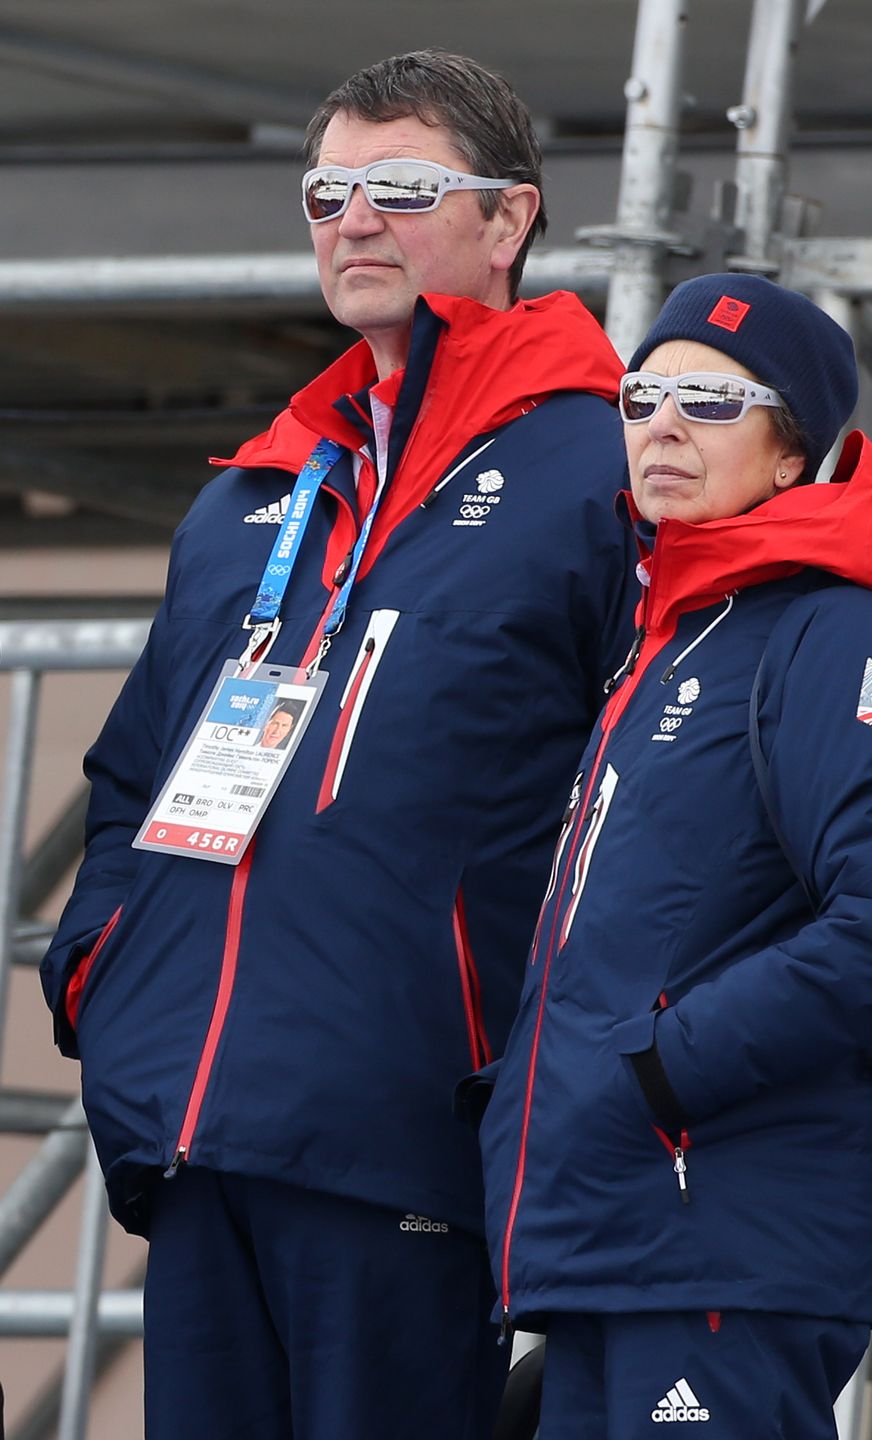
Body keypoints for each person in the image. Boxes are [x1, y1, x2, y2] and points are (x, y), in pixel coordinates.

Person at [39, 50, 636, 1440]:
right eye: (327, 192)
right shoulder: (260, 492)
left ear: (509, 221)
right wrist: (104, 981)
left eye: (402, 188)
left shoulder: (603, 474)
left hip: (407, 1123)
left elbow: (662, 796)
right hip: (195, 1122)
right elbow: (132, 779)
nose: (353, 221)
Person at [471, 274, 872, 1439]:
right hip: (613, 1235)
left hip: (720, 1236)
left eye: (709, 400)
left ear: (793, 452)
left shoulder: (829, 626)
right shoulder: (666, 636)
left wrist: (660, 1067)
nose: (661, 425)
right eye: (642, 395)